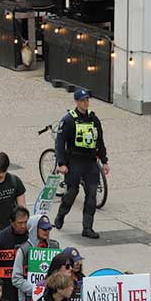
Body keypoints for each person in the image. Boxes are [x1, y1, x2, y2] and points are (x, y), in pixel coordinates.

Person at [54, 88, 109, 239]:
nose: (86, 103)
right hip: (75, 161)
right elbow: (60, 143)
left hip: (90, 161)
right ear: (77, 102)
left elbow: (100, 141)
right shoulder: (69, 120)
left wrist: (104, 161)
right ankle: (60, 215)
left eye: (87, 100)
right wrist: (61, 163)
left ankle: (87, 227)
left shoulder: (93, 119)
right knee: (72, 192)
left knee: (91, 194)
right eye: (83, 100)